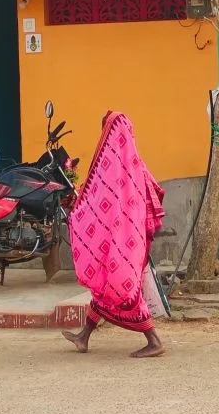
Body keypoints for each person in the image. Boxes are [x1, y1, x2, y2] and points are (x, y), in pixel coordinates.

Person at [63, 111, 166, 358]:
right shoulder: (132, 167)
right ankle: (83, 337)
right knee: (104, 287)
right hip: (128, 240)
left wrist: (78, 213)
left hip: (126, 243)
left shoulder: (117, 172)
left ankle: (154, 340)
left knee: (126, 290)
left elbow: (103, 202)